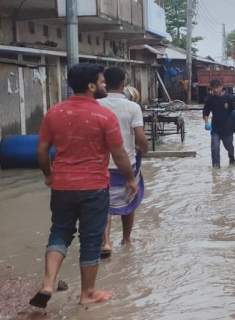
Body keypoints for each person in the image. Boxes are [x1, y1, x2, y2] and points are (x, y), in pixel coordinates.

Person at [29, 64, 137, 309]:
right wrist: (130, 178)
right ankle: (88, 293)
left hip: (62, 186)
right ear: (91, 86)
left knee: (59, 232)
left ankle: (48, 284)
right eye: (101, 82)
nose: (104, 85)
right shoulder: (104, 116)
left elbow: (41, 151)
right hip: (94, 187)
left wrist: (49, 175)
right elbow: (119, 154)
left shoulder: (54, 112)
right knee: (90, 239)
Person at [98, 67, 148, 257]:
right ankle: (126, 238)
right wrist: (145, 149)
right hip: (126, 162)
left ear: (105, 83)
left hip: (101, 163)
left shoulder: (97, 105)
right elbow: (140, 136)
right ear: (123, 83)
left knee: (104, 203)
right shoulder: (132, 107)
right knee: (130, 198)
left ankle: (106, 241)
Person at [203, 79, 235, 167]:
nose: (215, 90)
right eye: (213, 88)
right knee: (214, 148)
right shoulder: (209, 99)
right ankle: (216, 167)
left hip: (227, 129)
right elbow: (205, 112)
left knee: (229, 148)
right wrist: (206, 123)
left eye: (217, 87)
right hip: (215, 129)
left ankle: (232, 159)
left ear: (221, 87)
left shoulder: (229, 98)